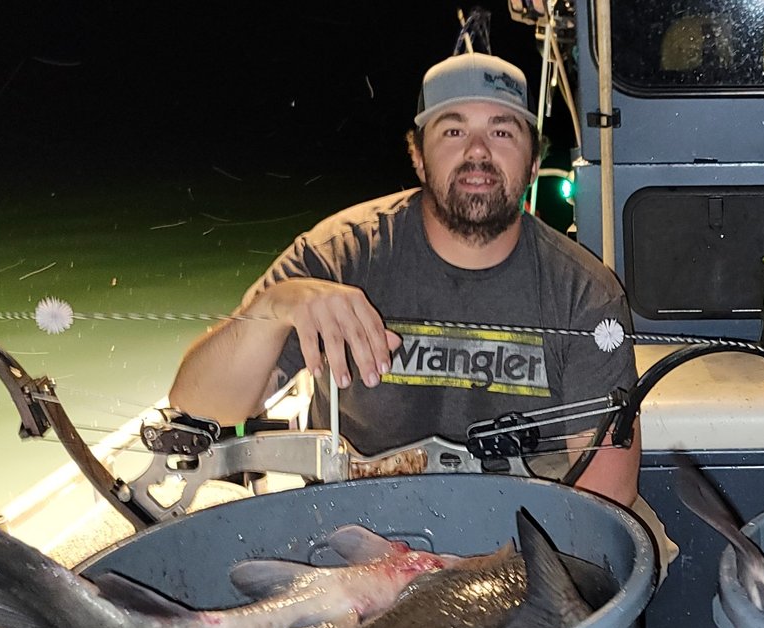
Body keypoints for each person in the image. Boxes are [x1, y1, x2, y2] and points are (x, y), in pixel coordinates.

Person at [170, 53, 671, 558]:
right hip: (360, 529)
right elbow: (200, 403)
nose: (478, 152)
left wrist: (467, 578)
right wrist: (276, 306)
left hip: (523, 535)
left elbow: (607, 491)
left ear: (535, 160)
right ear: (418, 155)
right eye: (452, 132)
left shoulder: (584, 290)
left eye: (502, 133)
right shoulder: (336, 255)